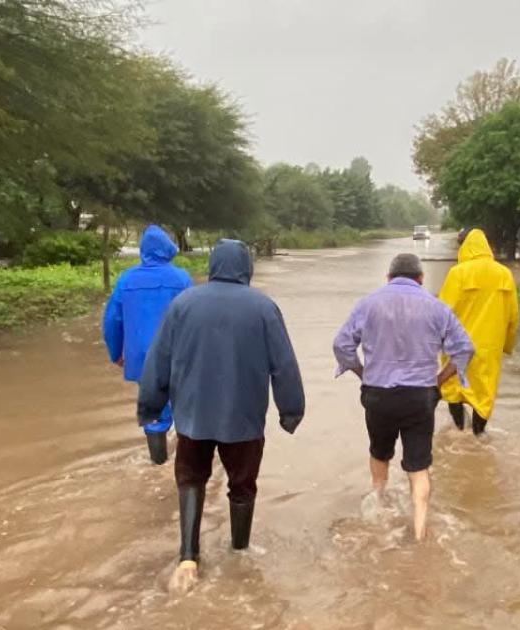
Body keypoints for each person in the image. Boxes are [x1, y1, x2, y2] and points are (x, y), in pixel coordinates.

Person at [138, 239, 305, 593]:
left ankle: (188, 556)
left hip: (193, 418)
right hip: (243, 421)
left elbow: (159, 360)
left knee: (191, 479)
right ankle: (240, 552)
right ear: (247, 268)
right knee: (242, 486)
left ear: (213, 266)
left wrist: (149, 405)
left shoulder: (182, 305)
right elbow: (284, 366)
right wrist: (291, 411)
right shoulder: (263, 308)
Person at [333, 253, 474, 542]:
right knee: (418, 465)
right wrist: (439, 381)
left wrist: (363, 373)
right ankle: (420, 530)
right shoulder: (437, 308)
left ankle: (378, 509)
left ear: (388, 277)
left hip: (378, 396)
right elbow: (464, 349)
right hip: (420, 397)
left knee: (379, 453)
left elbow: (342, 345)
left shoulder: (368, 304)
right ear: (420, 279)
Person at [102, 225, 192, 465]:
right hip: (176, 354)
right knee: (184, 405)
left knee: (153, 409)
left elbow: (112, 320)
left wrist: (116, 353)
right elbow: (192, 318)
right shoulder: (181, 278)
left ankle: (158, 463)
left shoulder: (126, 280)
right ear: (167, 249)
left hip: (142, 358)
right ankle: (186, 468)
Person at [439, 228, 520, 436]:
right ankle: (477, 436)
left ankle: (459, 431)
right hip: (488, 349)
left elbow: (442, 311)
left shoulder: (458, 273)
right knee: (483, 395)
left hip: (457, 349)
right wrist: (506, 346)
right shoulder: (504, 274)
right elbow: (513, 316)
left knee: (453, 391)